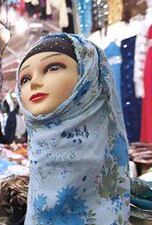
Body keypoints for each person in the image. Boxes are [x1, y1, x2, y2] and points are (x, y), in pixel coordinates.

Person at [17, 34, 130, 224]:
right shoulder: (37, 146)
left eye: (53, 67)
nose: (34, 83)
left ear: (88, 75)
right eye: (25, 79)